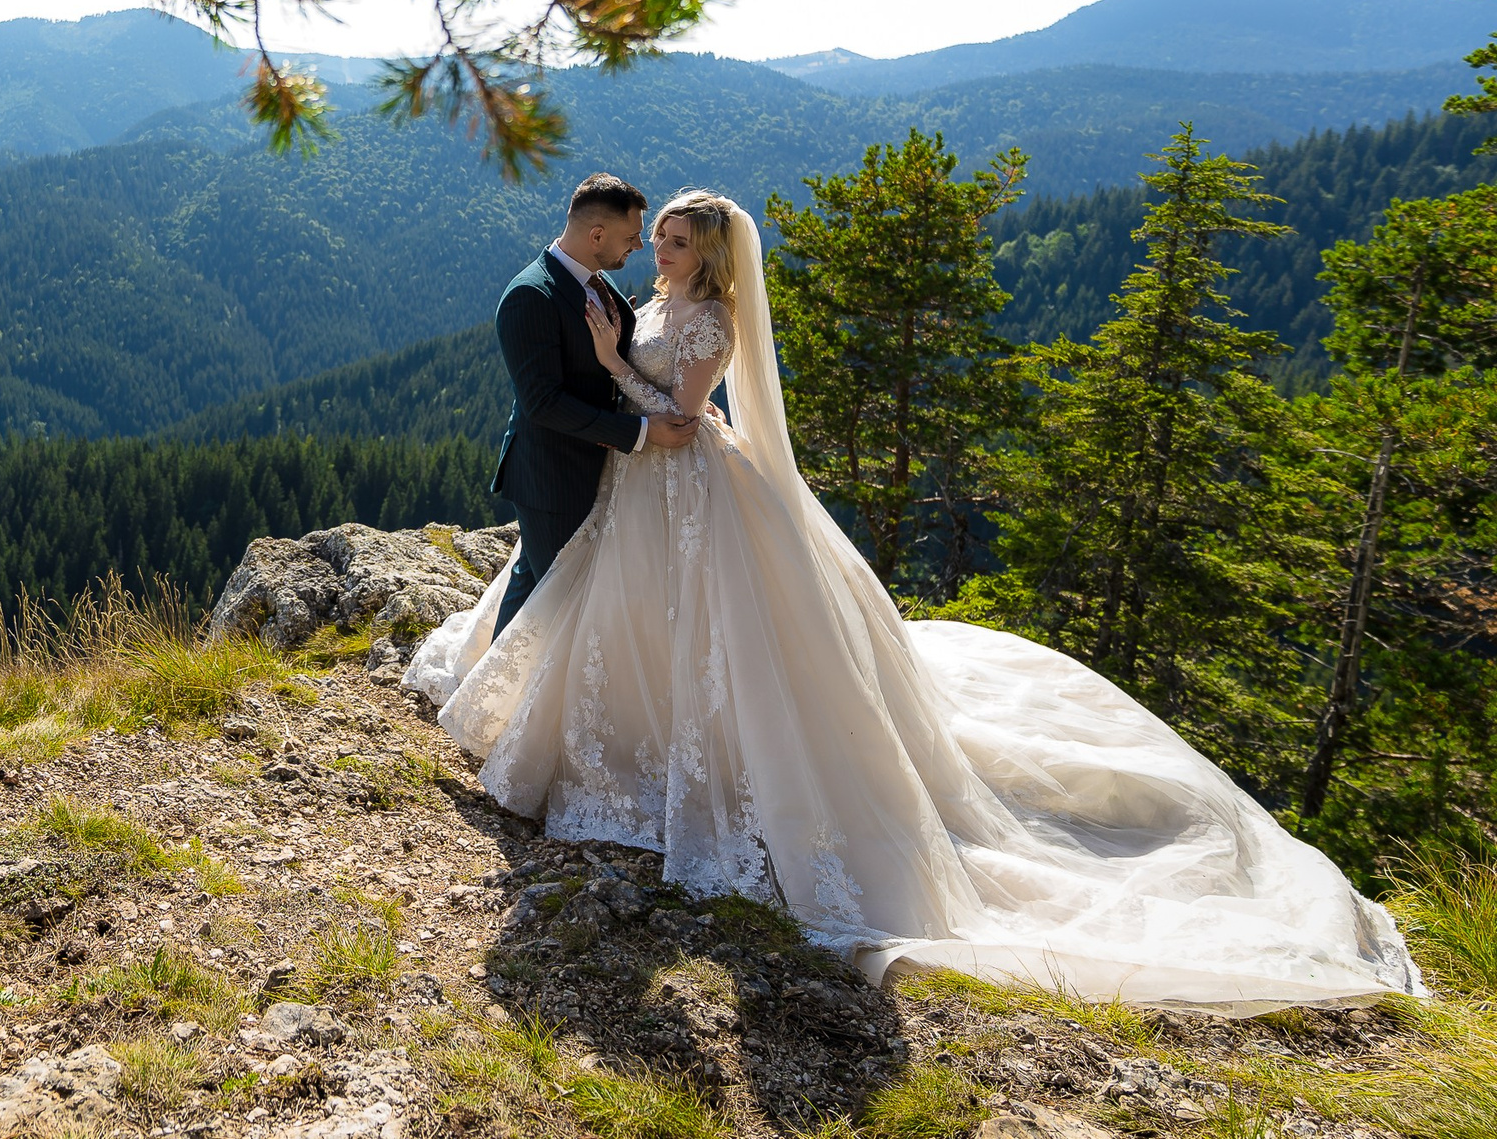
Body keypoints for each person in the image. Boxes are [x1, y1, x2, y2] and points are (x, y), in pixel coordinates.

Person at [410, 189, 1421, 1013]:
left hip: (690, 486)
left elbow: (682, 417)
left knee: (718, 637)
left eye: (672, 242)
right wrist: (610, 357)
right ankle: (628, 731)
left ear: (710, 258)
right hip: (640, 498)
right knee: (638, 628)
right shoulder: (649, 306)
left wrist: (601, 368)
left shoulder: (708, 318)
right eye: (654, 238)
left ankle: (700, 756)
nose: (656, 254)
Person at [487, 174, 700, 637]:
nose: (642, 246)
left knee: (533, 583)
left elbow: (613, 366)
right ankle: (517, 702)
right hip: (553, 474)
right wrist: (642, 433)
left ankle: (488, 688)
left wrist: (677, 397)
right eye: (631, 236)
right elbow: (543, 404)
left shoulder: (595, 283)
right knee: (558, 599)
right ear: (596, 235)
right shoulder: (531, 296)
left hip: (595, 468)